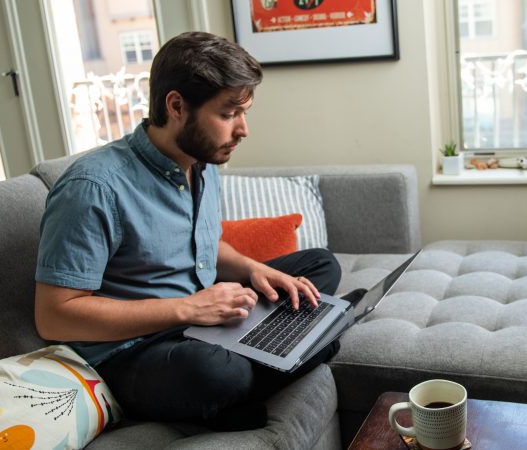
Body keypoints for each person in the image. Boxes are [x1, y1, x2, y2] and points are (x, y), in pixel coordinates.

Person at [33, 31, 341, 430]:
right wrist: (188, 308)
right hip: (137, 351)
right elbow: (55, 317)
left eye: (244, 113)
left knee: (319, 266)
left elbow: (203, 244)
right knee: (218, 374)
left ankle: (279, 354)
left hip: (201, 322)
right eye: (229, 114)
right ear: (176, 105)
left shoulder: (202, 162)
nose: (243, 129)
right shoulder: (92, 188)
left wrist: (252, 270)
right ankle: (291, 352)